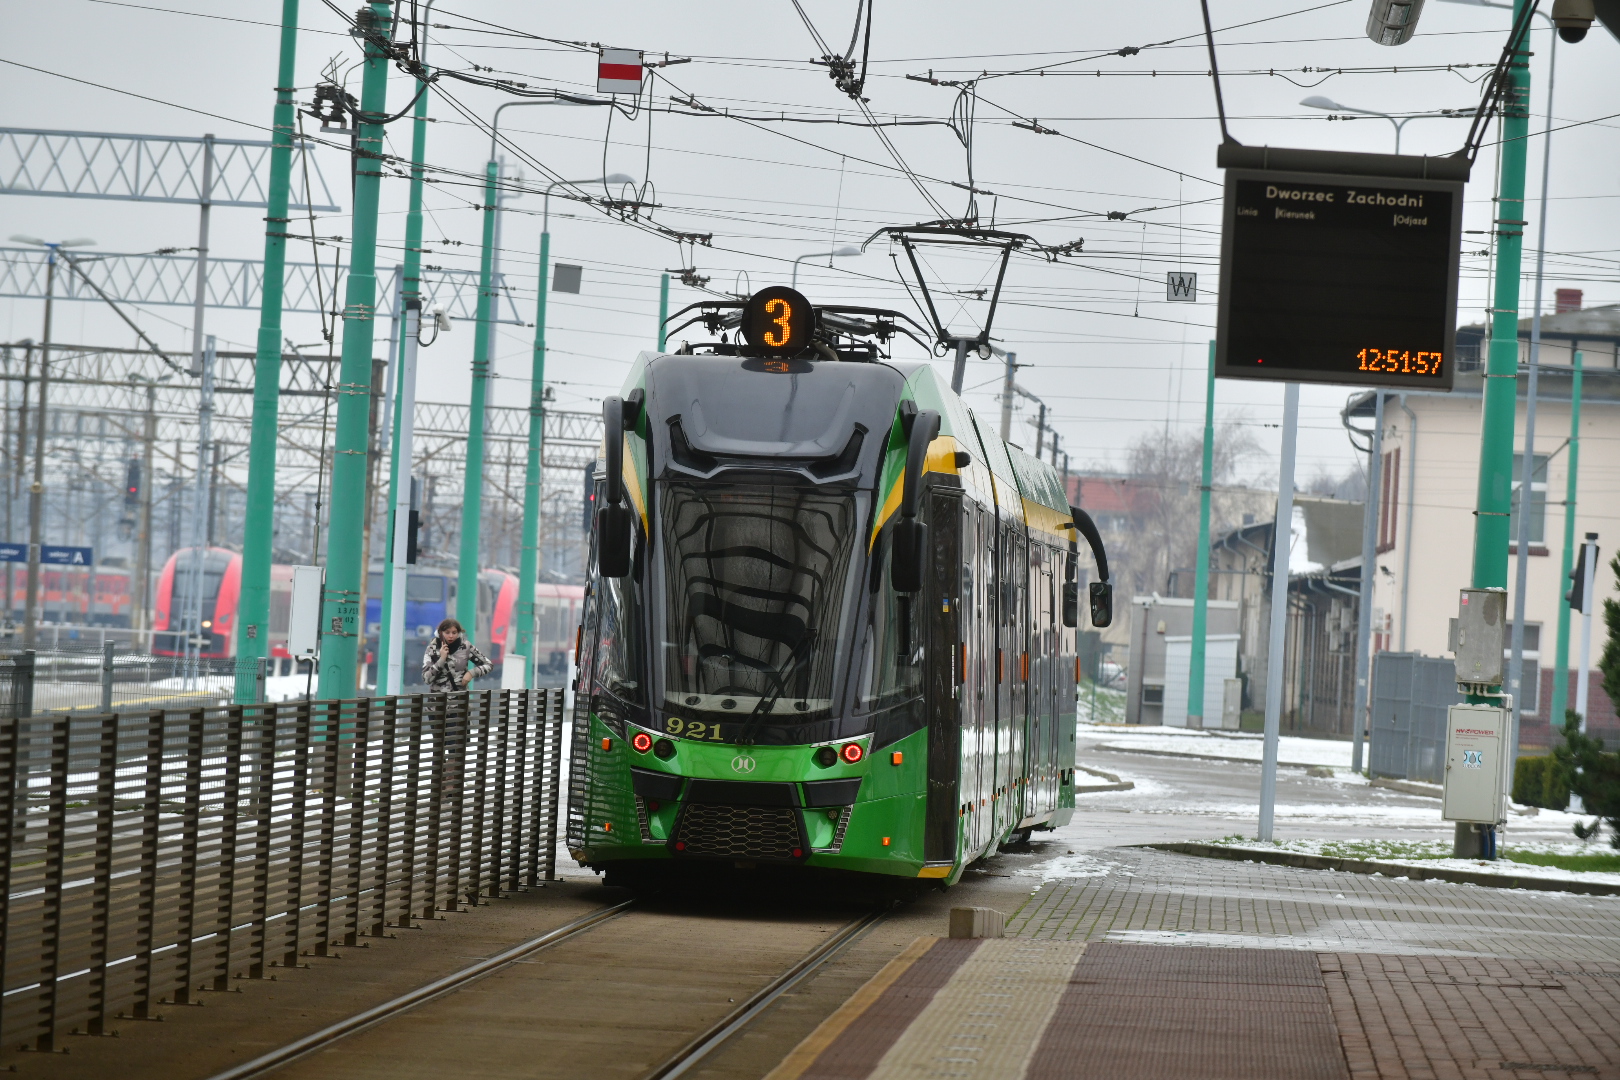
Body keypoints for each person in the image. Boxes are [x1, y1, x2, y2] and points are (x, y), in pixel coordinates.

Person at [422, 618, 492, 692]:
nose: (451, 636)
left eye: (454, 633)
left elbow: (488, 664)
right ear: (440, 633)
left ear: (458, 633)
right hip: (438, 700)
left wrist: (471, 673)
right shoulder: (432, 649)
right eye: (447, 632)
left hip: (459, 700)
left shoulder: (465, 646)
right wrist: (441, 659)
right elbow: (426, 679)